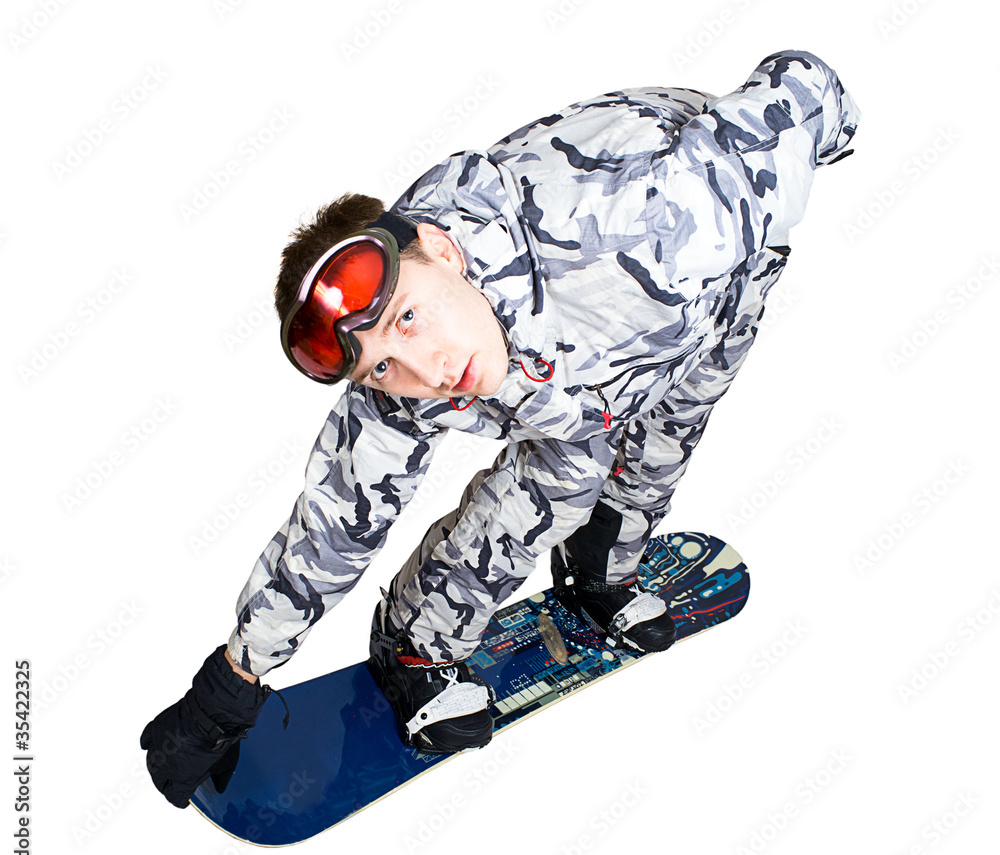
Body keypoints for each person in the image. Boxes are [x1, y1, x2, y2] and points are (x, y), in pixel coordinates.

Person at [141, 49, 860, 807]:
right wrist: (234, 678)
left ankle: (602, 564)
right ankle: (417, 644)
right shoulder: (401, 373)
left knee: (670, 425)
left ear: (443, 252)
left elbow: (797, 82)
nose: (423, 369)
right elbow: (336, 522)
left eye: (407, 319)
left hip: (705, 283)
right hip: (570, 373)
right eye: (381, 365)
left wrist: (833, 127)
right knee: (564, 473)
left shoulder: (656, 212)